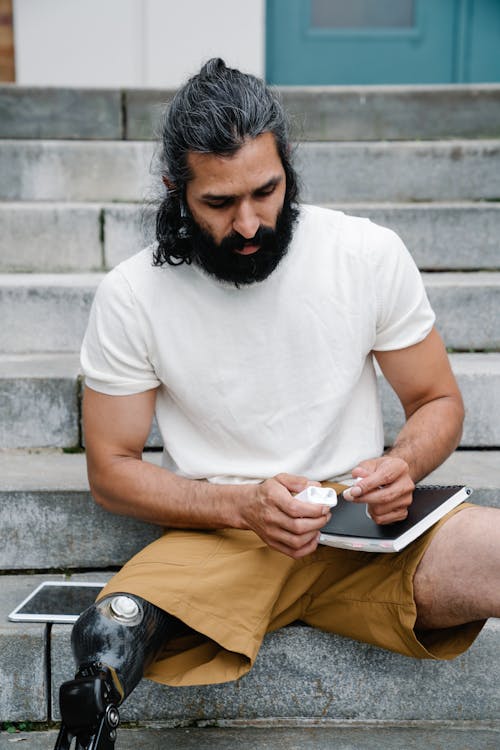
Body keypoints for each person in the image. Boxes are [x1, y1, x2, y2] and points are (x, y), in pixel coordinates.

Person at [54, 58, 500, 750]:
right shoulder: (131, 295)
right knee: (113, 631)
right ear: (176, 190)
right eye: (219, 203)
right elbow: (110, 469)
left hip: (368, 532)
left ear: (287, 161)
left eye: (266, 190)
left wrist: (402, 461)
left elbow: (438, 399)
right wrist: (241, 506)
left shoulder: (365, 252)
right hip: (227, 538)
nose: (250, 222)